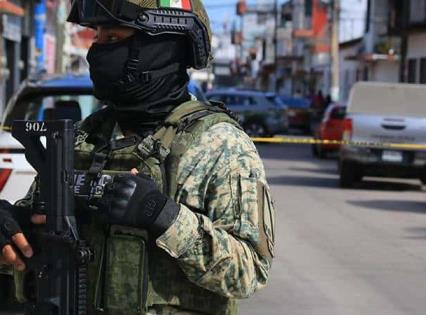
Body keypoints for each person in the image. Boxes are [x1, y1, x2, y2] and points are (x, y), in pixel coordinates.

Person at [0, 1, 275, 314]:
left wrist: (163, 215)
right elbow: (30, 235)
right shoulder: (82, 138)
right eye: (97, 38)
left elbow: (249, 273)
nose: (97, 52)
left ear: (164, 47)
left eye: (114, 39)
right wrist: (12, 228)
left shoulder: (218, 143)